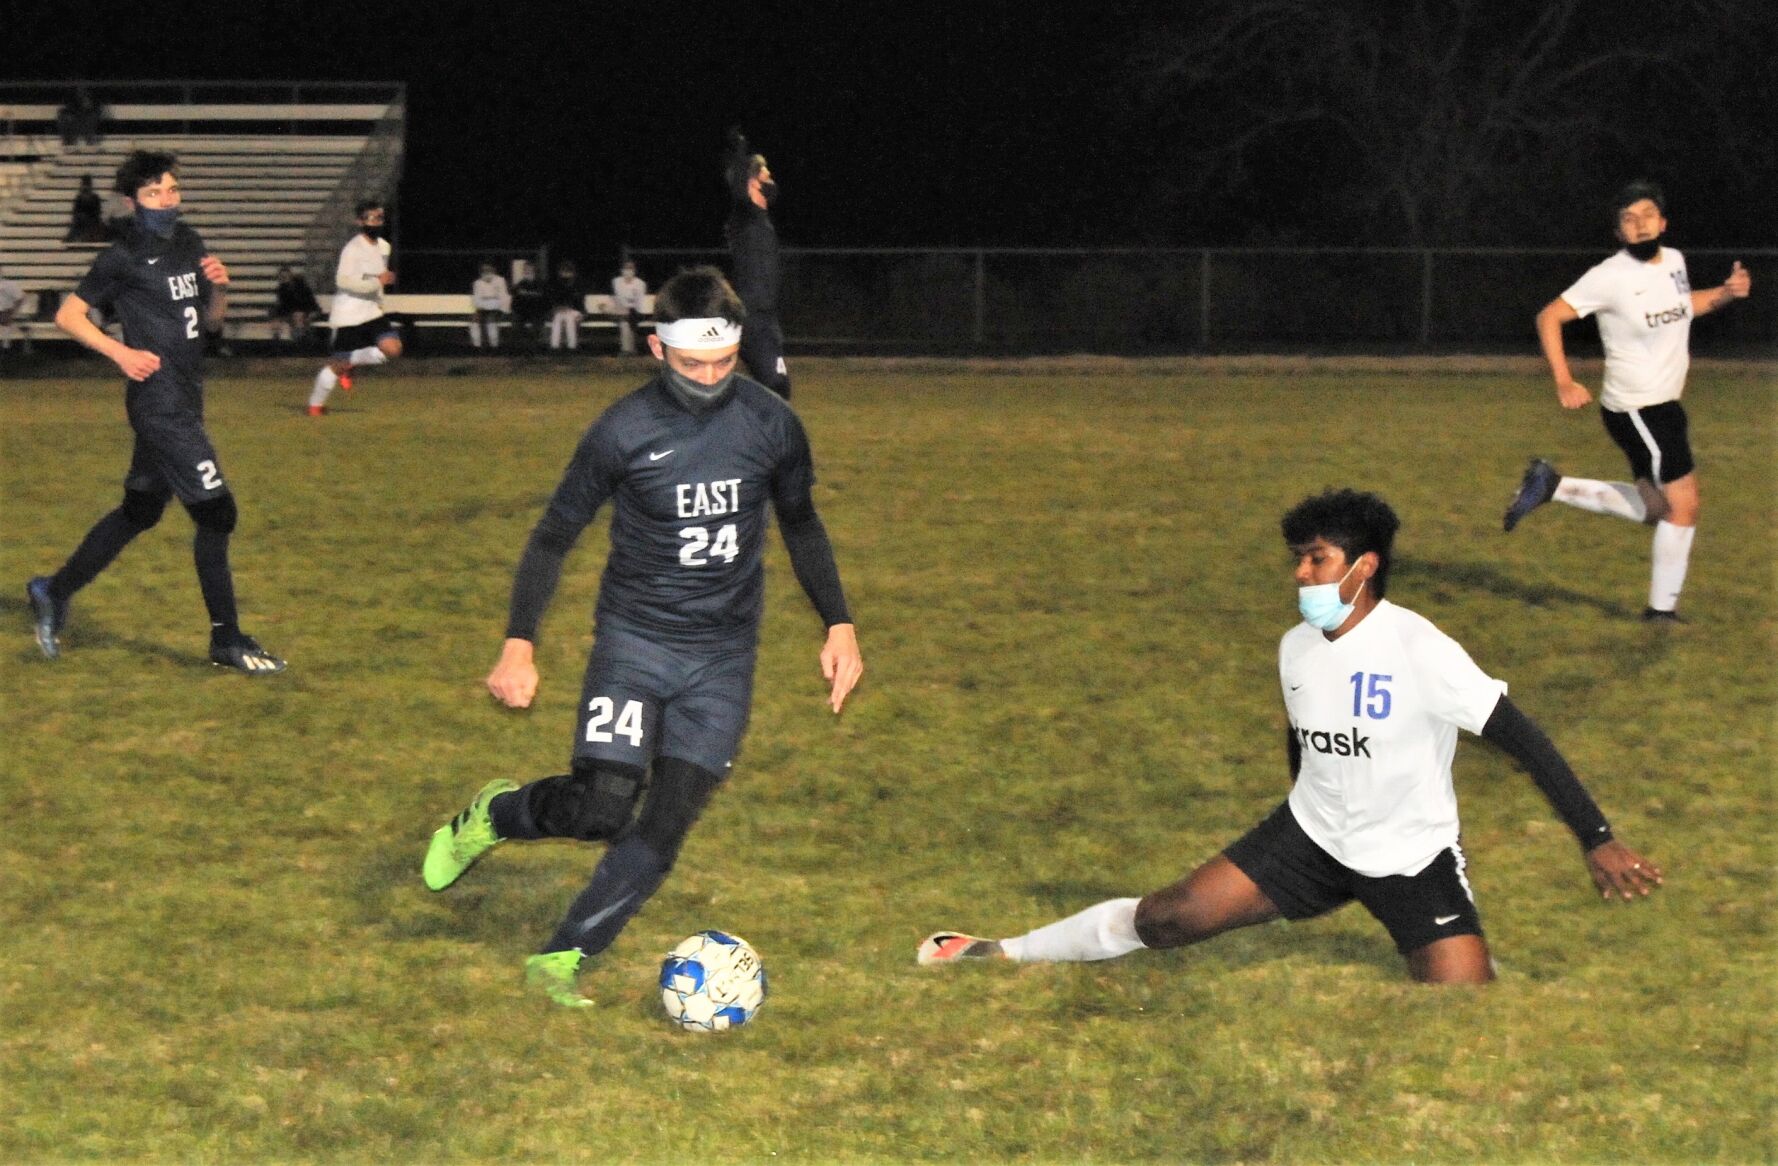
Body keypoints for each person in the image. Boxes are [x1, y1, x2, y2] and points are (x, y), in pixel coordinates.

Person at [920, 489, 1660, 985]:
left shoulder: (1420, 647)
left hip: (1410, 857)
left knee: (1464, 1010)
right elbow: (1304, 740)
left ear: (1363, 569)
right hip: (1309, 838)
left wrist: (1598, 838)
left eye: (1317, 561)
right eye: (1298, 560)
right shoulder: (1295, 648)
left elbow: (1524, 739)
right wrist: (1298, 823)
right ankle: (1001, 949)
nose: (1301, 574)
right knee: (1166, 917)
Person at [422, 266, 864, 1007]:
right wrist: (519, 641)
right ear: (657, 350)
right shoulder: (622, 431)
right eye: (694, 363)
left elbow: (802, 522)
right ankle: (493, 816)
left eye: (725, 361)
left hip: (723, 657)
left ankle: (563, 954)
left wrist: (839, 621)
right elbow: (554, 534)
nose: (712, 377)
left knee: (666, 821)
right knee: (601, 809)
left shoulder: (771, 423)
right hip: (636, 644)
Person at [26, 150, 285, 675]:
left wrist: (222, 291)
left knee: (140, 512)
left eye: (171, 190)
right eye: (152, 194)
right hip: (159, 405)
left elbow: (209, 324)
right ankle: (226, 641)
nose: (166, 201)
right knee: (218, 513)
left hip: (186, 397)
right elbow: (67, 315)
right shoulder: (121, 255)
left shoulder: (189, 242)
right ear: (131, 202)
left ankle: (52, 590)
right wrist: (119, 353)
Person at [1504, 180, 1753, 622]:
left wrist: (1724, 294)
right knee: (1685, 506)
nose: (1639, 225)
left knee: (1658, 509)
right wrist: (1564, 381)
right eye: (1628, 219)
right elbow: (1550, 316)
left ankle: (1550, 485)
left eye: (1647, 215)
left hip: (1662, 406)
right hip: (1639, 408)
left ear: (1662, 222)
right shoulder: (1609, 276)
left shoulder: (1674, 261)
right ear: (1619, 232)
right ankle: (1661, 613)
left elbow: (1681, 305)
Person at [308, 199, 402, 417]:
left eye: (379, 217)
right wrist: (377, 282)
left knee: (393, 349)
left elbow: (377, 277)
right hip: (349, 315)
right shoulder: (352, 248)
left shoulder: (384, 247)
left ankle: (351, 362)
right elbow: (343, 281)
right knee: (336, 365)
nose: (377, 221)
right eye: (371, 217)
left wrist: (379, 295)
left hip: (371, 311)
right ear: (359, 221)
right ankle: (315, 406)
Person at [723, 128, 791, 398]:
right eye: (766, 176)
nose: (771, 181)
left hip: (766, 316)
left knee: (776, 388)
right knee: (776, 386)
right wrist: (740, 146)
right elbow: (737, 180)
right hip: (751, 317)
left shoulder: (762, 220)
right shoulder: (744, 217)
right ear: (752, 183)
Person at [267, 266, 321, 345]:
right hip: (292, 311)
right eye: (282, 277)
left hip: (307, 310)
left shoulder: (301, 286)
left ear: (290, 276)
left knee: (297, 315)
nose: (284, 279)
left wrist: (309, 313)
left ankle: (300, 340)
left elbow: (308, 302)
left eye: (285, 277)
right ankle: (276, 339)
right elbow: (283, 304)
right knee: (276, 317)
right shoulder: (281, 289)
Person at [468, 260, 510, 349]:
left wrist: (500, 308)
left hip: (498, 308)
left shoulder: (500, 280)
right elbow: (476, 300)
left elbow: (503, 297)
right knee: (474, 319)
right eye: (484, 270)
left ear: (493, 270)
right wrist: (485, 304)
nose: (486, 272)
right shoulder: (477, 283)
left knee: (491, 318)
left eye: (488, 270)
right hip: (483, 308)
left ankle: (494, 345)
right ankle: (476, 346)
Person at [610, 259, 648, 356]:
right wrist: (626, 306)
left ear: (634, 270)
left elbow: (639, 300)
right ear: (622, 270)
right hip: (620, 311)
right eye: (626, 268)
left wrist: (631, 307)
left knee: (627, 322)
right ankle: (629, 350)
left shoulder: (640, 283)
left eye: (630, 268)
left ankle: (627, 350)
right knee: (625, 322)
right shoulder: (616, 282)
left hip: (635, 311)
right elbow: (619, 297)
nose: (628, 270)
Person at [545, 260, 584, 350]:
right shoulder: (557, 285)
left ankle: (572, 346)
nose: (565, 274)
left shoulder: (577, 284)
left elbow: (579, 301)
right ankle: (555, 346)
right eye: (563, 272)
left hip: (576, 311)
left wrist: (569, 308)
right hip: (560, 311)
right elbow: (555, 300)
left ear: (572, 272)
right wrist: (560, 308)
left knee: (569, 318)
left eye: (567, 272)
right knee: (558, 318)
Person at [509, 260, 547, 348]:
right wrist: (515, 311)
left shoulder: (541, 284)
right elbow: (515, 301)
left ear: (534, 270)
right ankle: (520, 349)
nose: (527, 271)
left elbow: (545, 301)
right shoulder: (520, 284)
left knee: (536, 327)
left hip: (537, 312)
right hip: (522, 312)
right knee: (516, 324)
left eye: (530, 269)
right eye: (526, 269)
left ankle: (533, 349)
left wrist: (541, 311)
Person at [64, 175, 107, 243]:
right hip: (81, 221)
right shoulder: (79, 198)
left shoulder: (95, 197)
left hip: (92, 220)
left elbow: (98, 212)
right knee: (78, 220)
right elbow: (75, 212)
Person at [0, 268, 28, 355]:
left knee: (6, 320)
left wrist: (13, 311)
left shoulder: (8, 285)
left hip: (5, 312)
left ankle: (5, 348)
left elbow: (21, 298)